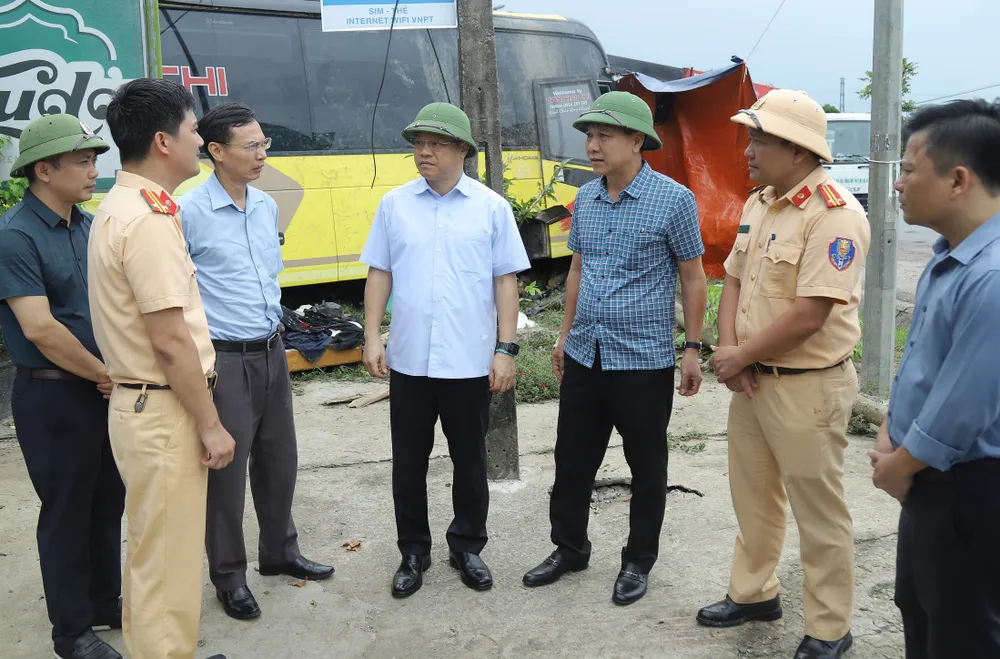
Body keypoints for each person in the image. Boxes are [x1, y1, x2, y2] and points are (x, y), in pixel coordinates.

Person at [697, 89, 870, 659]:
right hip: (751, 381)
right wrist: (729, 350)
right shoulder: (760, 203)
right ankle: (753, 593)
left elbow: (810, 313)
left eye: (760, 138)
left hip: (808, 387)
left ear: (797, 149)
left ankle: (828, 628)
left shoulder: (834, 212)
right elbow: (736, 282)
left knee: (818, 514)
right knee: (753, 497)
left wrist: (739, 357)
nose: (748, 150)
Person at [520, 91, 708, 606]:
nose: (592, 145)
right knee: (571, 462)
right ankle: (570, 547)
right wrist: (563, 336)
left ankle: (637, 560)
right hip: (586, 355)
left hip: (643, 361)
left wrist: (691, 348)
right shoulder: (588, 198)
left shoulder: (674, 200)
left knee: (647, 467)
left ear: (636, 140)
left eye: (604, 135)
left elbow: (693, 279)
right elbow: (578, 270)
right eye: (589, 135)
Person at [87, 78, 235, 659]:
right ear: (162, 141)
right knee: (165, 558)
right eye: (195, 130)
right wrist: (210, 423)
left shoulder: (121, 206)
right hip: (163, 407)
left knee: (156, 552)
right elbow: (171, 341)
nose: (201, 140)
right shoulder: (146, 219)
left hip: (143, 403)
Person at [360, 102, 530, 598]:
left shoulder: (490, 208)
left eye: (435, 143)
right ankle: (413, 551)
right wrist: (373, 336)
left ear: (462, 150)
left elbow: (506, 281)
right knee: (407, 462)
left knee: (470, 460)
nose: (424, 151)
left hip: (468, 360)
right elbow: (379, 272)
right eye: (418, 143)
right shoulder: (395, 205)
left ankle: (467, 546)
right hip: (410, 361)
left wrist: (506, 349)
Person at [178, 102, 333, 621]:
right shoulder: (188, 211)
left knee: (278, 460)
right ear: (216, 151)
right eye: (252, 146)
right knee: (226, 471)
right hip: (224, 359)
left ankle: (279, 552)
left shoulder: (266, 206)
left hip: (271, 351)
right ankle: (228, 576)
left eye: (264, 143)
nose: (262, 153)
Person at [869, 99, 1000, 659]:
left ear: (958, 180)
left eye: (907, 169)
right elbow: (925, 364)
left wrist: (902, 463)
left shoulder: (992, 275)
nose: (897, 184)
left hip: (969, 487)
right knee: (922, 611)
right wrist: (888, 430)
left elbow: (967, 401)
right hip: (927, 476)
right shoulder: (950, 256)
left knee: (963, 630)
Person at [0, 115, 124, 659]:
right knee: (67, 509)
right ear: (43, 170)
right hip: (53, 395)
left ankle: (104, 603)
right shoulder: (15, 235)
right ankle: (71, 632)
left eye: (94, 159)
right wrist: (104, 374)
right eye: (82, 161)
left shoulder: (90, 226)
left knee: (108, 499)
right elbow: (40, 329)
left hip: (102, 388)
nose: (93, 170)